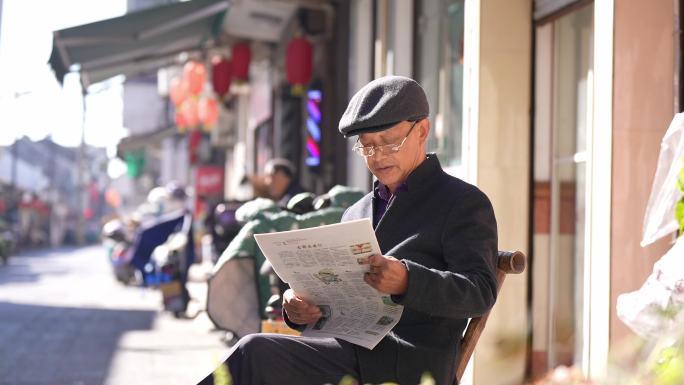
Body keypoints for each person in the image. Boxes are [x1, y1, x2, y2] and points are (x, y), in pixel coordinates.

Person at [197, 76, 498, 385]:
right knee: (259, 353)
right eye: (367, 147)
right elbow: (339, 298)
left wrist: (408, 279)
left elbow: (480, 292)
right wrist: (305, 310)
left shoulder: (462, 202)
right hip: (348, 345)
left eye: (389, 143)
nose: (378, 156)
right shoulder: (357, 210)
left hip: (406, 358)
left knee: (256, 352)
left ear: (422, 130)